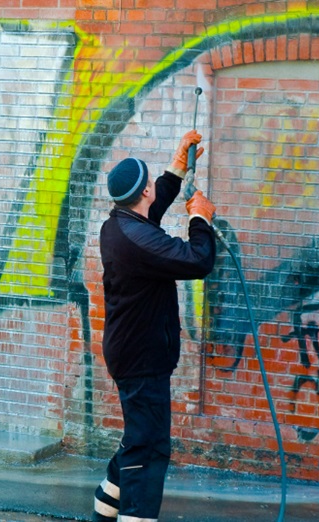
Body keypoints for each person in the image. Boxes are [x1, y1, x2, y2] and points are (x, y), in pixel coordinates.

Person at [93, 130, 218, 522]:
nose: (154, 190)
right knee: (148, 451)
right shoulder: (140, 240)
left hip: (133, 353)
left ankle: (102, 512)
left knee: (138, 439)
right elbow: (198, 261)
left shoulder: (120, 224)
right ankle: (135, 516)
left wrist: (177, 167)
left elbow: (154, 205)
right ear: (142, 192)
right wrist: (200, 219)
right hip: (141, 359)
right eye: (151, 185)